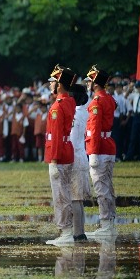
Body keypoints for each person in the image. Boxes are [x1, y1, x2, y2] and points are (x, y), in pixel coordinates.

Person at [44, 64, 77, 246]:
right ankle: (66, 230)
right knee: (64, 193)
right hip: (66, 149)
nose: (50, 85)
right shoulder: (69, 101)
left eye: (53, 82)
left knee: (60, 195)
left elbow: (55, 135)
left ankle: (65, 231)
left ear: (59, 85)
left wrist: (54, 159)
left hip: (59, 153)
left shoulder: (58, 105)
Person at [84, 65, 118, 237]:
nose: (88, 83)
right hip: (108, 146)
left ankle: (106, 223)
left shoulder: (97, 101)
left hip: (100, 148)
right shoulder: (108, 98)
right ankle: (110, 221)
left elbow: (95, 128)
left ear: (96, 83)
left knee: (101, 188)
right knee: (108, 187)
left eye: (90, 80)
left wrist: (94, 152)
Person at [69, 84, 91, 241]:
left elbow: (71, 139)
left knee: (75, 198)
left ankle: (78, 232)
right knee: (79, 199)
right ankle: (80, 230)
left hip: (75, 156)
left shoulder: (76, 115)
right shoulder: (83, 112)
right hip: (81, 156)